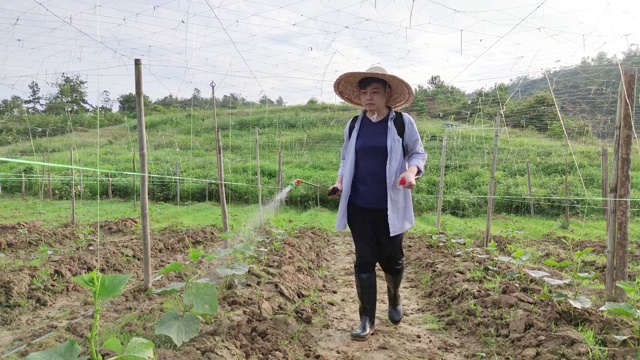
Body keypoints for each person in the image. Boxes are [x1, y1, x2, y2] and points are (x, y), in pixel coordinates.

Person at [329, 66, 427, 341]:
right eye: (364, 92)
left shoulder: (401, 123)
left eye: (374, 92)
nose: (368, 97)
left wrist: (410, 172)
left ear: (387, 94)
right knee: (363, 262)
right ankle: (366, 319)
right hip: (359, 206)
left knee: (392, 261)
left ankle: (394, 297)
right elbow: (346, 159)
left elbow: (417, 153)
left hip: (390, 207)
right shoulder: (353, 125)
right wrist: (339, 183)